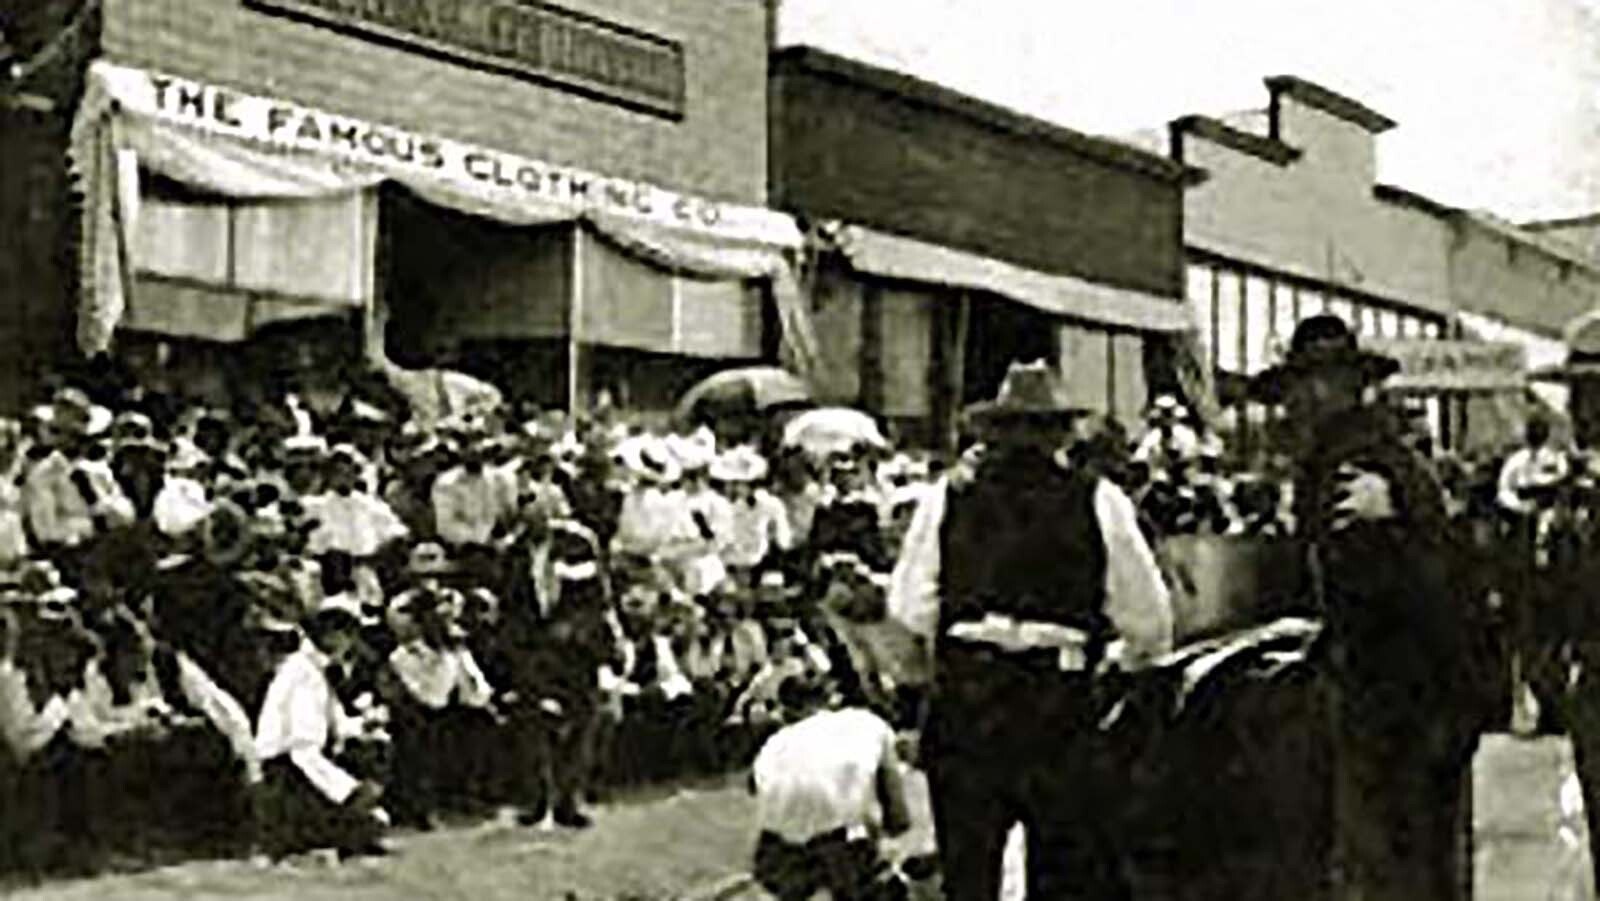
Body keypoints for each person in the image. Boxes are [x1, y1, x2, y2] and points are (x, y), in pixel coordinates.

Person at [888, 359, 1175, 901]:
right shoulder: (1099, 500)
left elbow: (908, 609)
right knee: (1062, 875)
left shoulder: (947, 499)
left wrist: (947, 658)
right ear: (1061, 436)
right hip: (1055, 704)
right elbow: (1151, 622)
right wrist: (1118, 659)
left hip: (970, 703)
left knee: (969, 876)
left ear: (993, 433)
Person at [1247, 314, 1490, 901]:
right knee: (1429, 864)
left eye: (1301, 392)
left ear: (1334, 389)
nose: (1292, 410)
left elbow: (1372, 592)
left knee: (1381, 864)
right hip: (1434, 699)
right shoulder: (1389, 458)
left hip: (1387, 704)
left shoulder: (1353, 469)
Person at [750, 675, 912, 901]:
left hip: (781, 858)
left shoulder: (772, 746)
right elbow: (898, 818)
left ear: (785, 711)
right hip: (839, 852)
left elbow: (761, 794)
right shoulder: (865, 722)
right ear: (831, 699)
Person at [252, 594, 390, 861]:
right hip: (286, 777)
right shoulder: (304, 674)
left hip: (302, 770)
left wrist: (366, 725)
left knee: (377, 747)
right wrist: (349, 792)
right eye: (347, 633)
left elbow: (338, 725)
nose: (351, 643)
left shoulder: (317, 671)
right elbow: (303, 750)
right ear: (330, 634)